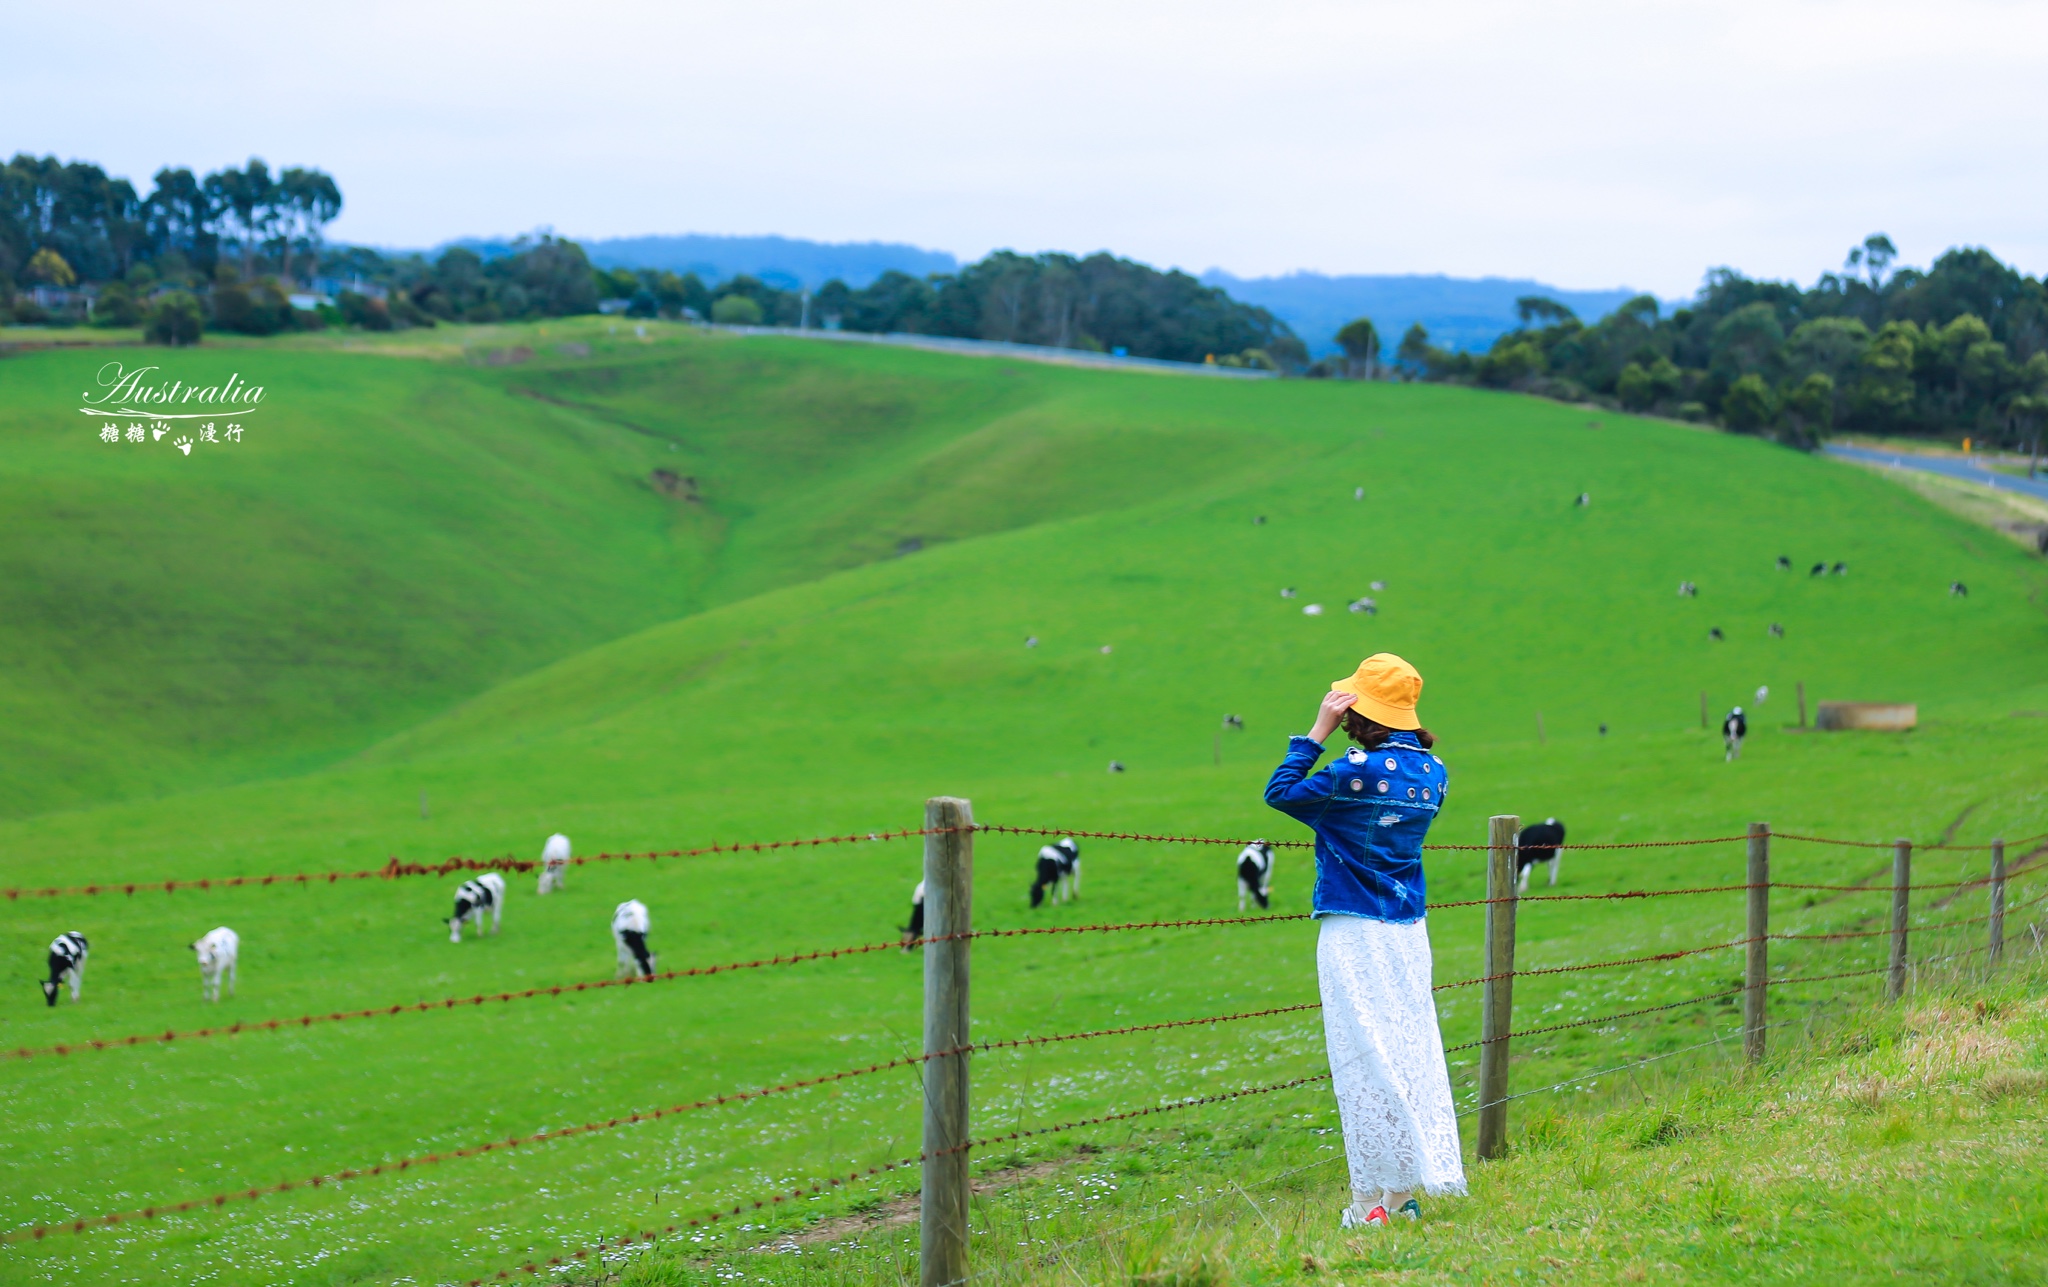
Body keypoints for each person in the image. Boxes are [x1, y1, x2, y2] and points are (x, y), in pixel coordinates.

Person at [1264, 652, 1465, 1228]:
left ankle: (1371, 1203)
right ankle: (1398, 1196)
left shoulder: (1352, 772)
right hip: (1408, 927)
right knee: (1406, 1048)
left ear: (1358, 709)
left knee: (1361, 1059)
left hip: (1353, 927)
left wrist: (1314, 734)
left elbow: (1280, 793)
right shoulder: (1435, 773)